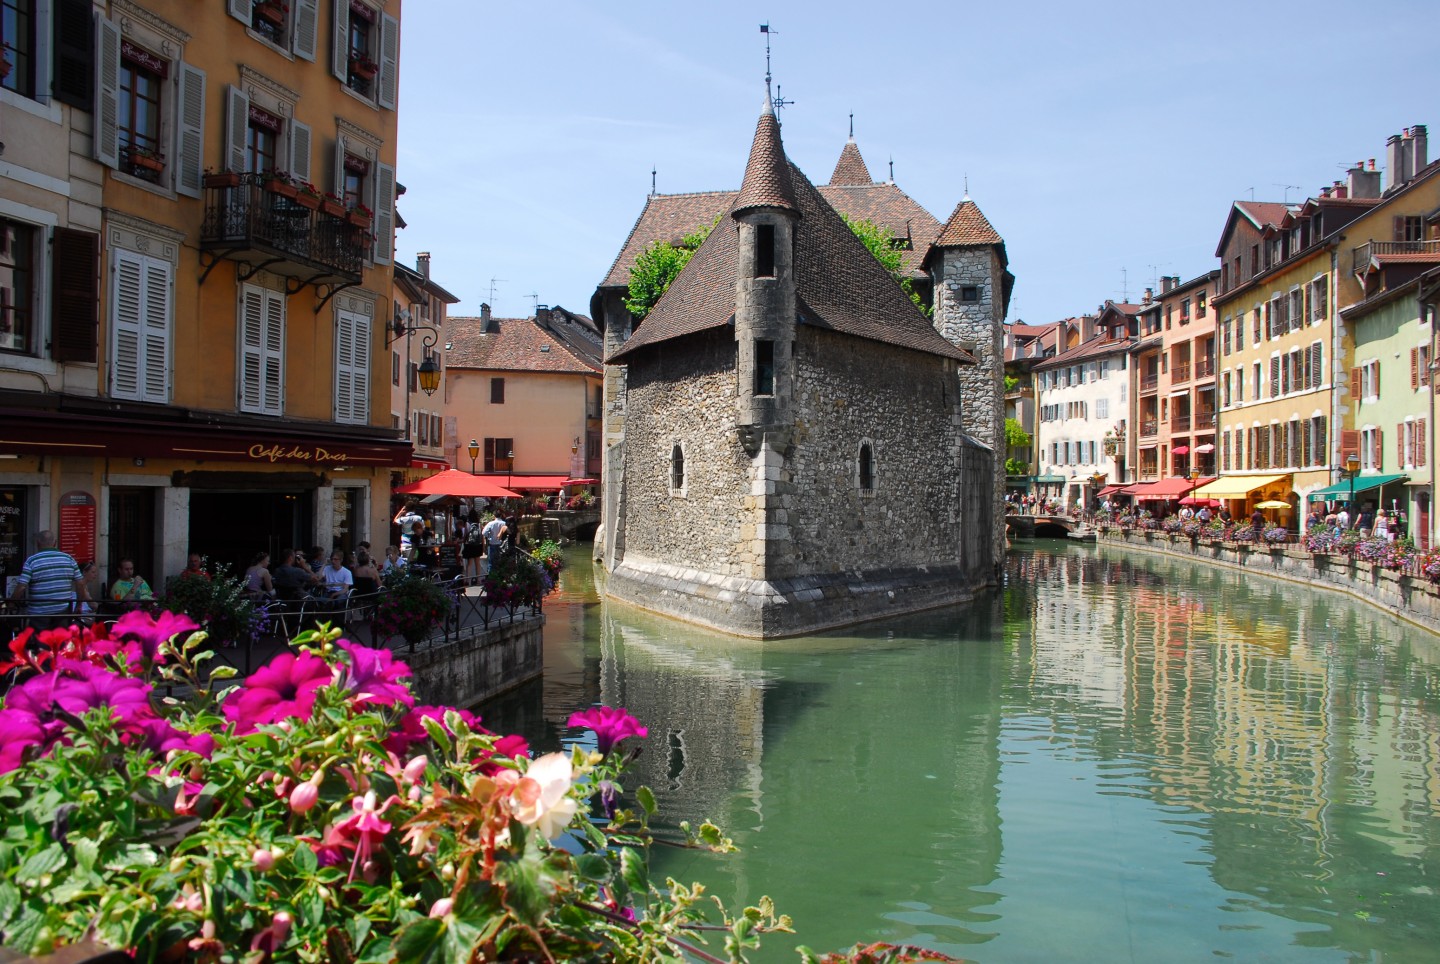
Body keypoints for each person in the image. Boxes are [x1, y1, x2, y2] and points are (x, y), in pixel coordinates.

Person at [11, 530, 89, 617]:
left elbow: (21, 587)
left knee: (40, 631)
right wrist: (79, 605)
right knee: (61, 631)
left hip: (39, 613)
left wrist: (11, 604)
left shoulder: (32, 561)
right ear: (55, 543)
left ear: (38, 543)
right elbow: (80, 584)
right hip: (63, 612)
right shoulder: (68, 559)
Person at [461, 510, 485, 583]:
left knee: (470, 563)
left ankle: (468, 580)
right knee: (477, 563)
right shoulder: (479, 524)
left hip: (469, 545)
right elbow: (482, 535)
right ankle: (478, 580)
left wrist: (463, 542)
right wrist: (483, 546)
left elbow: (465, 535)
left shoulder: (467, 524)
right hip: (478, 545)